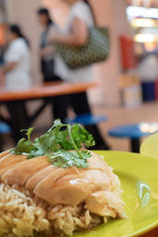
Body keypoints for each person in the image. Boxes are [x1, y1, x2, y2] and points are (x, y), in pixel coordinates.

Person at [47, 0, 109, 149]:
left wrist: (56, 37)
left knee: (74, 111)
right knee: (82, 110)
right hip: (77, 73)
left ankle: (97, 146)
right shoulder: (80, 8)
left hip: (75, 74)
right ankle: (99, 145)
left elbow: (80, 38)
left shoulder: (78, 9)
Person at [0, 24, 32, 89]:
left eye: (8, 34)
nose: (6, 36)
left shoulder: (17, 45)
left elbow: (12, 65)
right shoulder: (19, 44)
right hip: (17, 80)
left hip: (18, 82)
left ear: (14, 34)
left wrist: (2, 70)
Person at [38, 8, 59, 83]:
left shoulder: (53, 28)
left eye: (40, 17)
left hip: (53, 65)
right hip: (46, 65)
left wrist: (45, 51)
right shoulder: (44, 30)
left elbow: (57, 47)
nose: (39, 19)